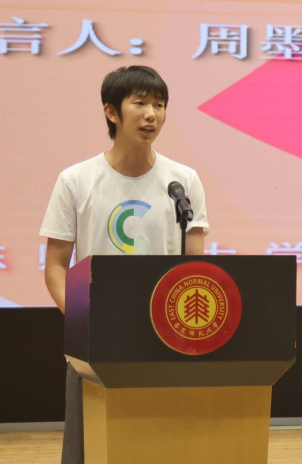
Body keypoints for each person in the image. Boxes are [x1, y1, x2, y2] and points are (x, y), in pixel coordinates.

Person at [40, 65, 209, 464]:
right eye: (141, 103)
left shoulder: (182, 182)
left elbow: (196, 267)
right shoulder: (76, 180)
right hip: (98, 340)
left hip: (166, 338)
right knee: (90, 446)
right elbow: (56, 267)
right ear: (111, 112)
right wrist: (84, 322)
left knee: (164, 444)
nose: (152, 115)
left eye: (160, 105)